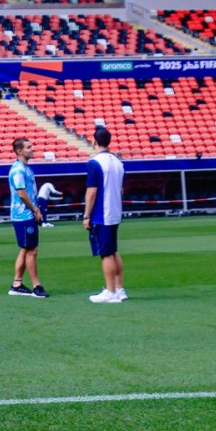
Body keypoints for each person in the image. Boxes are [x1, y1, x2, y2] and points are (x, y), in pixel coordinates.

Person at [84, 127, 128, 303]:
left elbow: (91, 192)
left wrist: (86, 215)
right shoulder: (118, 162)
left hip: (102, 214)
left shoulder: (95, 163)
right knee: (113, 250)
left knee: (106, 253)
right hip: (115, 212)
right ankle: (119, 288)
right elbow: (121, 190)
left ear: (94, 141)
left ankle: (110, 291)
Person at [8, 138, 48, 297]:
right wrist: (35, 210)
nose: (32, 149)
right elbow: (22, 194)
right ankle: (36, 286)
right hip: (23, 215)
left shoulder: (25, 168)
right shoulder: (19, 170)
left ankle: (17, 284)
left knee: (26, 249)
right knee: (32, 250)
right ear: (19, 151)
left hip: (25, 214)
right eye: (29, 147)